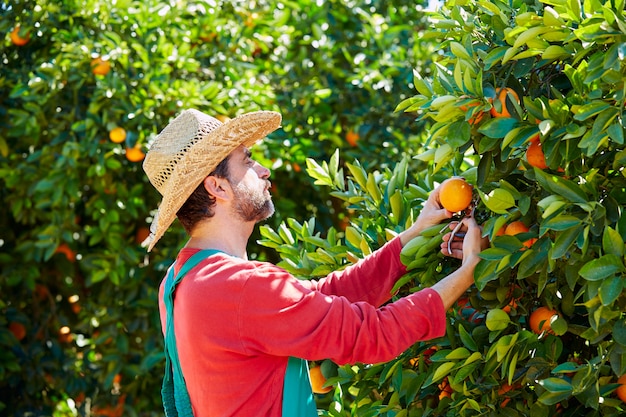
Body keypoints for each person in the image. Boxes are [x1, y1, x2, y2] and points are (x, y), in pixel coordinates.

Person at [142, 109, 484, 417]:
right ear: (218, 187)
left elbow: (316, 300)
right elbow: (373, 334)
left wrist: (413, 235)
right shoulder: (242, 286)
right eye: (247, 161)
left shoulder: (179, 281)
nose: (263, 170)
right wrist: (468, 269)